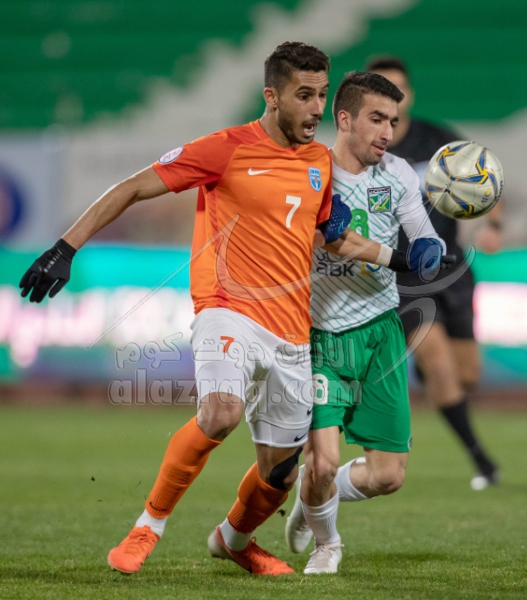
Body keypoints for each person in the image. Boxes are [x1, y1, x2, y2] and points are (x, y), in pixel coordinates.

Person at [19, 43, 419, 577]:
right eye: (304, 95)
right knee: (221, 412)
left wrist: (398, 257)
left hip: (292, 330)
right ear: (272, 96)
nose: (316, 108)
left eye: (322, 95)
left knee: (280, 473)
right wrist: (65, 247)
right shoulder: (225, 149)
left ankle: (233, 539)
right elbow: (133, 187)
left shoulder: (319, 162)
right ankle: (147, 526)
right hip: (226, 309)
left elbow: (333, 236)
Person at [284, 71, 451, 574]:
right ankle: (327, 544)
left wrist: (429, 249)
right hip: (318, 334)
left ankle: (312, 496)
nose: (388, 132)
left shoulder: (398, 174)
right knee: (324, 461)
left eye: (393, 121)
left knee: (387, 476)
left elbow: (423, 235)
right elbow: (311, 238)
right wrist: (396, 257)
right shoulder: (308, 170)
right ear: (344, 119)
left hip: (380, 332)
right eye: (377, 119)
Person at [368, 56, 501, 490]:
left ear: (409, 95)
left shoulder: (439, 141)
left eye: (398, 89)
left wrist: (494, 225)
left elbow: (488, 181)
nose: (392, 98)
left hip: (451, 268)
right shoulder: (365, 151)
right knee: (440, 365)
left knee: (467, 375)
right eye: (382, 89)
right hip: (402, 274)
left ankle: (431, 372)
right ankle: (482, 460)